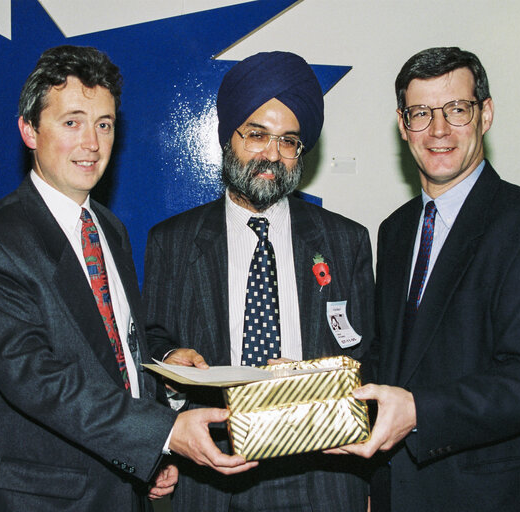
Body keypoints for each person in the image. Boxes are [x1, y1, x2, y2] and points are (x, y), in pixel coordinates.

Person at [0, 45, 256, 512]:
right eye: (72, 122)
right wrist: (164, 434)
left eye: (104, 124)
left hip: (120, 489)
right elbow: (39, 378)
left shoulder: (108, 230)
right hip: (39, 501)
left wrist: (164, 372)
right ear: (29, 130)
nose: (92, 143)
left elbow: (109, 348)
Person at [326, 47, 520, 511]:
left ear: (485, 114)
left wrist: (420, 412)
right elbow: (394, 359)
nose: (439, 130)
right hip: (395, 493)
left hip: (487, 497)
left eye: (456, 110)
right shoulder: (396, 229)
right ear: (403, 126)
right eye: (421, 113)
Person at [142, 51, 374, 512]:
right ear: (228, 137)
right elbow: (149, 340)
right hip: (212, 475)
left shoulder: (346, 241)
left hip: (323, 477)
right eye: (257, 135)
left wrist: (316, 380)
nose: (271, 155)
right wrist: (172, 361)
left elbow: (371, 358)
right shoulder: (172, 241)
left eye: (288, 141)